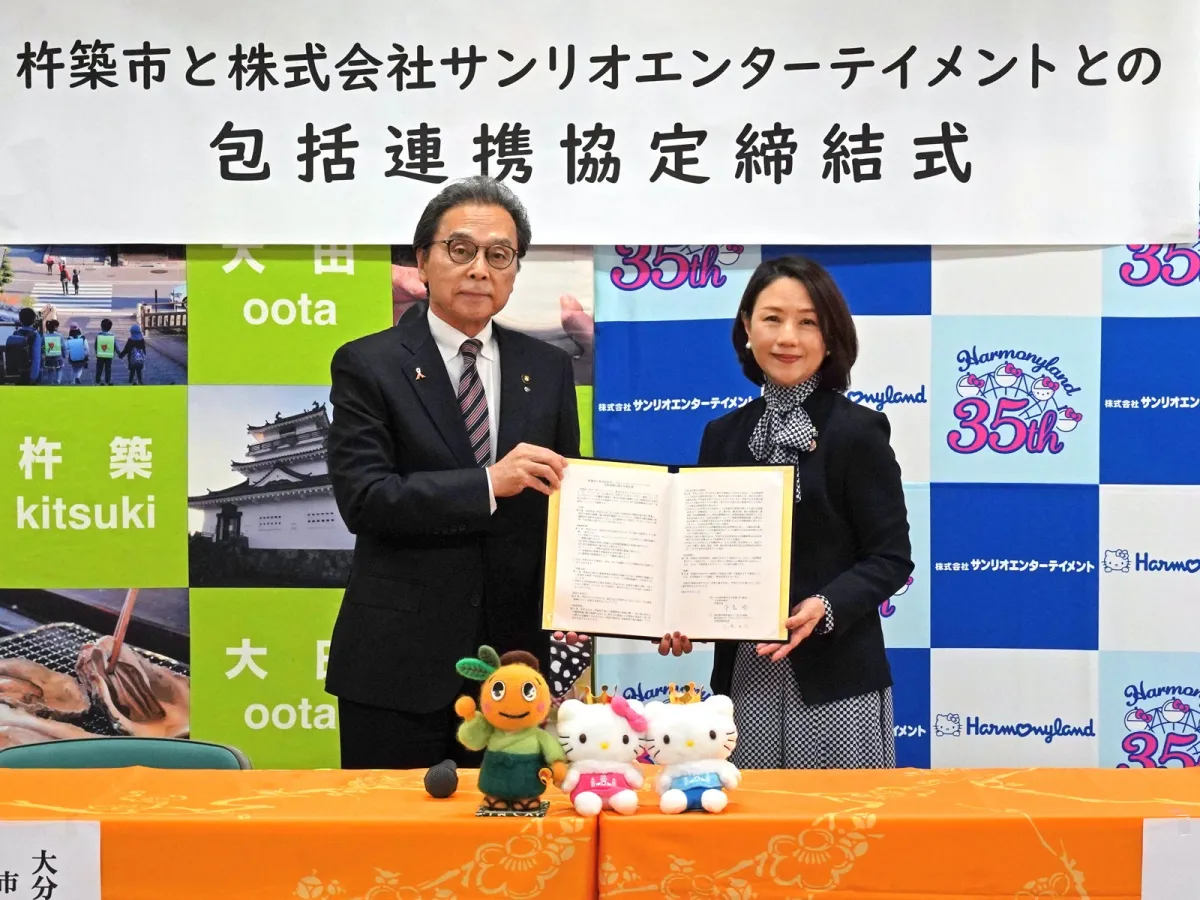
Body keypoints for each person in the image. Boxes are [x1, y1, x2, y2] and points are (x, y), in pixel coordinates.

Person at [324, 176, 582, 770]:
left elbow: (564, 508)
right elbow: (365, 498)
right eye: (460, 250)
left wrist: (585, 605)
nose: (479, 270)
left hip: (514, 667)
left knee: (509, 823)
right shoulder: (368, 363)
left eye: (499, 255)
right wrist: (489, 483)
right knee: (392, 825)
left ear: (514, 270)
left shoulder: (547, 367)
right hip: (398, 664)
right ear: (422, 260)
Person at [659, 255, 913, 769]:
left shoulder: (858, 431)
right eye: (772, 318)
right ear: (747, 328)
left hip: (836, 679)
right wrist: (680, 611)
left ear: (831, 336)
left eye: (808, 322)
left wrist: (826, 605)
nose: (787, 337)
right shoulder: (722, 436)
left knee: (839, 818)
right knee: (749, 816)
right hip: (744, 676)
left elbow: (891, 557)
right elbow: (704, 557)